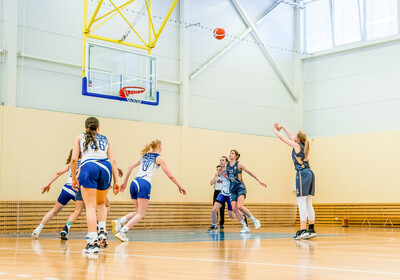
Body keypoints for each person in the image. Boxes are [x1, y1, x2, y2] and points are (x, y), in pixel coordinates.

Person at [112, 139, 186, 242]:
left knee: (139, 211)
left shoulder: (145, 155)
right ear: (159, 146)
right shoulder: (159, 158)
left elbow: (130, 167)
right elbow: (170, 175)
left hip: (134, 182)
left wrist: (124, 182)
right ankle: (123, 231)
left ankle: (120, 221)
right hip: (144, 183)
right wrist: (179, 186)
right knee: (141, 214)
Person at [71, 117, 120, 254]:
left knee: (90, 207)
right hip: (106, 168)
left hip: (89, 167)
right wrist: (116, 182)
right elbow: (113, 161)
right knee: (101, 203)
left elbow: (74, 159)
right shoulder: (106, 140)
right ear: (99, 128)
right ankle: (102, 232)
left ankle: (92, 242)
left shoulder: (80, 137)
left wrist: (74, 178)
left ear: (85, 127)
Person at [272, 123, 317, 240]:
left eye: (295, 137)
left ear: (297, 139)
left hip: (302, 174)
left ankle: (302, 230)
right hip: (310, 173)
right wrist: (283, 127)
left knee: (301, 203)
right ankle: (311, 229)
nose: (293, 137)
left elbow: (282, 138)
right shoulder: (302, 144)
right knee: (308, 203)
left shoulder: (296, 146)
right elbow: (291, 135)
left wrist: (274, 130)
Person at [32, 150, 82, 239]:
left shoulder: (71, 163)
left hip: (66, 189)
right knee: (85, 210)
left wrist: (48, 184)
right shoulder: (85, 163)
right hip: (76, 189)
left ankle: (38, 229)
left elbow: (58, 173)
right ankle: (66, 229)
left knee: (54, 211)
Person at [225, 149, 266, 233]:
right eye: (230, 153)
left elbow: (249, 172)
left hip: (240, 187)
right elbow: (229, 177)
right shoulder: (227, 165)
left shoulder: (239, 164)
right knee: (234, 209)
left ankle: (255, 220)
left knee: (239, 206)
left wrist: (259, 181)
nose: (230, 155)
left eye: (232, 153)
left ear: (236, 156)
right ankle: (245, 226)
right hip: (232, 189)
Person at [207, 156, 248, 232]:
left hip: (230, 194)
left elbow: (231, 179)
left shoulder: (229, 170)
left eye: (223, 160)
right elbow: (212, 182)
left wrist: (223, 172)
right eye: (220, 160)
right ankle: (214, 226)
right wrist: (218, 174)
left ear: (226, 162)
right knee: (214, 210)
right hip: (223, 193)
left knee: (231, 216)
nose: (221, 161)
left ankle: (243, 217)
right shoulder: (219, 171)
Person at [210, 161, 225, 229]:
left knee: (222, 209)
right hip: (216, 192)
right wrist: (215, 176)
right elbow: (211, 183)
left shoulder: (224, 176)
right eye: (217, 169)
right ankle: (214, 224)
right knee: (215, 209)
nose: (218, 171)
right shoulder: (216, 177)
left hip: (223, 192)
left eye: (219, 169)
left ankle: (222, 223)